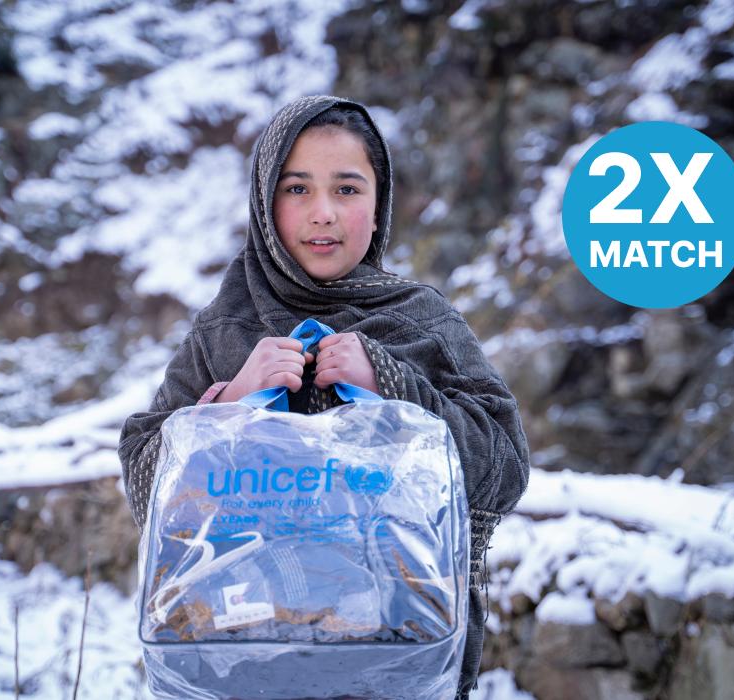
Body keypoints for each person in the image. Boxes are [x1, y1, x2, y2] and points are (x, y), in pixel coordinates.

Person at [118, 94, 530, 699]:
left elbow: (504, 466)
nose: (323, 214)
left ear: (379, 201)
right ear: (264, 200)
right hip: (238, 669)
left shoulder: (424, 324)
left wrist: (391, 384)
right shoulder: (224, 333)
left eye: (347, 189)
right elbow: (146, 485)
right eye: (296, 189)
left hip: (397, 668)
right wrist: (229, 403)